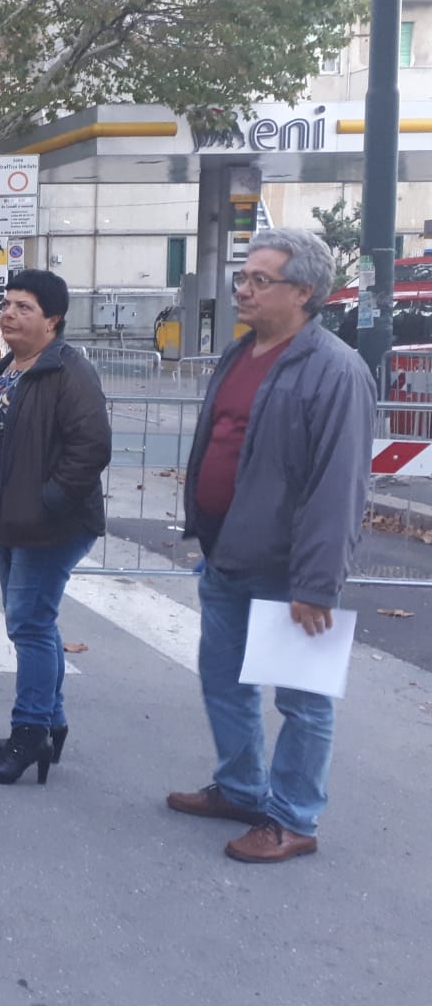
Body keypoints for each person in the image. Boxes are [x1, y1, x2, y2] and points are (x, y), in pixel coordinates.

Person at [167, 228, 374, 862]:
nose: (243, 289)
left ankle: (293, 819)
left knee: (302, 702)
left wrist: (318, 583)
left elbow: (337, 487)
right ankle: (240, 789)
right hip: (227, 554)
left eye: (261, 280)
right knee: (223, 681)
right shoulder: (240, 354)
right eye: (243, 277)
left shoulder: (336, 370)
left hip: (290, 571)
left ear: (305, 292)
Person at [0, 270, 111, 786]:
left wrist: (47, 504)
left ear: (53, 320)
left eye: (24, 307)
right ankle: (50, 725)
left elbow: (91, 449)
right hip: (9, 521)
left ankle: (30, 734)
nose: (10, 314)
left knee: (29, 626)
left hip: (49, 525)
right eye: (7, 305)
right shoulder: (6, 368)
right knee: (34, 624)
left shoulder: (69, 371)